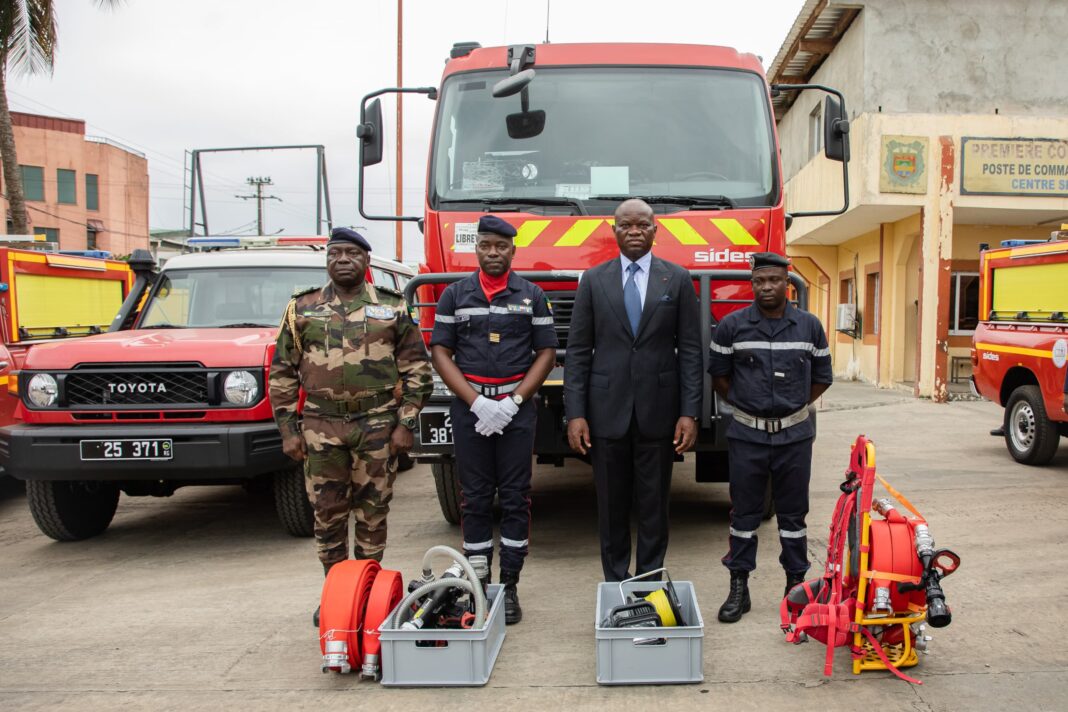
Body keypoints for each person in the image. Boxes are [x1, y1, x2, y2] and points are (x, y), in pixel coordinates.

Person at [269, 227, 432, 626]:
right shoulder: (302, 308)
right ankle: (336, 594)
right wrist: (288, 430)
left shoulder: (391, 307)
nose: (342, 259)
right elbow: (282, 372)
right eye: (335, 253)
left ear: (366, 260)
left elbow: (417, 371)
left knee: (374, 511)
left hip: (376, 423)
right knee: (327, 513)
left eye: (352, 253)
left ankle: (371, 592)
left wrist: (405, 423)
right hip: (321, 424)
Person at [564, 198, 702, 582]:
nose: (635, 231)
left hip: (659, 413)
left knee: (655, 505)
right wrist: (575, 414)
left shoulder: (675, 278)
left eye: (643, 225)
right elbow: (577, 352)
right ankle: (615, 582)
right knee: (610, 507)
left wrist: (689, 412)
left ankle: (648, 582)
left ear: (656, 230)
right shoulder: (593, 280)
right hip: (606, 412)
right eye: (626, 225)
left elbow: (690, 350)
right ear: (615, 231)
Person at [430, 215, 557, 624]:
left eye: (501, 247)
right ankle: (479, 583)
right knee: (476, 497)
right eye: (486, 245)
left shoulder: (532, 295)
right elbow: (441, 353)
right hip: (472, 413)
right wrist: (476, 403)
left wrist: (514, 401)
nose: (493, 253)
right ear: (477, 249)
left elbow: (546, 354)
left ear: (513, 251)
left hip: (515, 412)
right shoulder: (454, 295)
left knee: (517, 496)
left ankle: (511, 583)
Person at [708, 252, 833, 623]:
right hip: (747, 435)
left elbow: (822, 377)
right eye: (759, 281)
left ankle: (795, 588)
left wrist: (793, 408)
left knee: (794, 516)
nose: (766, 287)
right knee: (743, 515)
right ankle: (739, 588)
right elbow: (719, 377)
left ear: (787, 282)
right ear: (752, 284)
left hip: (794, 437)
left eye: (774, 280)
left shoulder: (809, 326)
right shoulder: (731, 326)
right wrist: (752, 408)